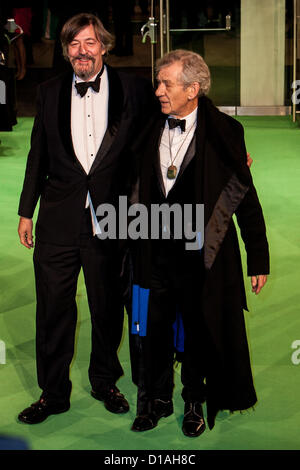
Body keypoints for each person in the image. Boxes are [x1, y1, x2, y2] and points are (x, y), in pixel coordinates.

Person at [17, 12, 154, 424]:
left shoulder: (134, 88)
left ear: (104, 46)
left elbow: (167, 126)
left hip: (113, 218)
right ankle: (52, 393)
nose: (82, 51)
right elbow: (37, 153)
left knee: (107, 306)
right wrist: (27, 210)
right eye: (74, 44)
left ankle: (104, 380)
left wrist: (228, 149)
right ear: (66, 51)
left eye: (89, 42)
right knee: (53, 309)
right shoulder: (49, 91)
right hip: (58, 218)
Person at [128, 49, 269, 437]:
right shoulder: (146, 126)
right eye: (158, 82)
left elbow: (243, 196)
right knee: (151, 329)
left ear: (193, 89)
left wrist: (258, 257)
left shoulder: (226, 132)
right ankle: (154, 399)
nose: (158, 90)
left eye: (165, 83)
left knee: (196, 329)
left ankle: (193, 399)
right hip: (153, 247)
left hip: (200, 255)